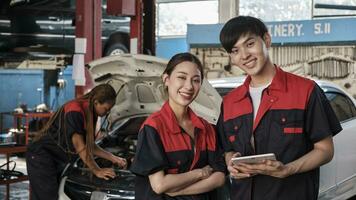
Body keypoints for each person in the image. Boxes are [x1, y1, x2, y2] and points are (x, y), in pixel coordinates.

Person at [216, 16, 342, 200]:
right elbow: (227, 149)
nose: (244, 55)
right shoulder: (230, 102)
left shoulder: (306, 90)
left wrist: (287, 169)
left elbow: (325, 150)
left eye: (250, 44)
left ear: (266, 40)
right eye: (235, 50)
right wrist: (231, 163)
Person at [130, 52, 226, 200]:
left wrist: (178, 191)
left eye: (196, 80)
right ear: (166, 79)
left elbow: (219, 178)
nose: (189, 86)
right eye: (181, 77)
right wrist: (200, 173)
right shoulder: (153, 127)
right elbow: (160, 185)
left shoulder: (207, 128)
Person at [26, 83, 127, 200]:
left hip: (56, 157)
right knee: (47, 196)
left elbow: (90, 146)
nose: (107, 113)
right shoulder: (75, 111)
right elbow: (80, 146)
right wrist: (96, 170)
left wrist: (114, 158)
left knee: (53, 193)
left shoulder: (90, 111)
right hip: (41, 155)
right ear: (96, 102)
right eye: (106, 109)